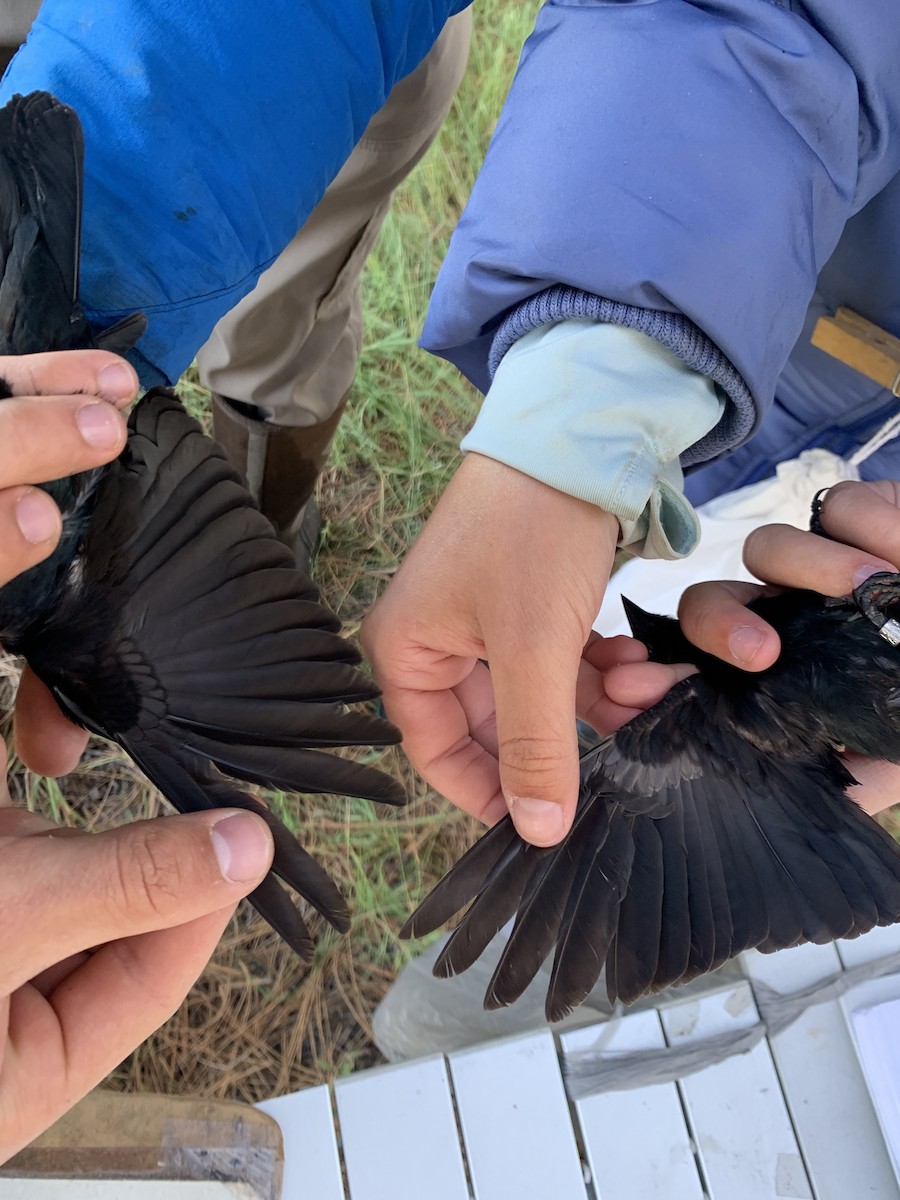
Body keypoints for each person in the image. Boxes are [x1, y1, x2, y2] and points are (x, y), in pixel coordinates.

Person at [1, 0, 899, 1152]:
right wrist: (595, 404)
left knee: (662, 737)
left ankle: (525, 984)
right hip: (777, 380)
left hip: (786, 427)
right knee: (677, 685)